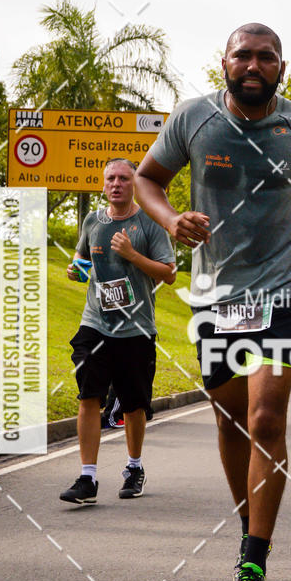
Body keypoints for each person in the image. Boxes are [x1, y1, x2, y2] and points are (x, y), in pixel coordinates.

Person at [134, 22, 291, 581]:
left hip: (286, 293)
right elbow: (146, 179)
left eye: (266, 57)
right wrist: (168, 220)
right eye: (243, 55)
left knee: (267, 418)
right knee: (230, 419)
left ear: (281, 69)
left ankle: (253, 560)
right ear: (224, 64)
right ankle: (250, 521)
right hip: (218, 297)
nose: (253, 65)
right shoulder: (193, 119)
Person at [60, 158, 176, 505]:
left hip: (136, 328)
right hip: (95, 322)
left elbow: (168, 273)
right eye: (111, 178)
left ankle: (134, 467)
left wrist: (131, 254)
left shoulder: (149, 223)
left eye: (124, 178)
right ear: (103, 184)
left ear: (134, 184)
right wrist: (75, 272)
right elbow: (84, 263)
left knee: (133, 404)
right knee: (88, 395)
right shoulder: (93, 221)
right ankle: (87, 478)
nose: (117, 184)